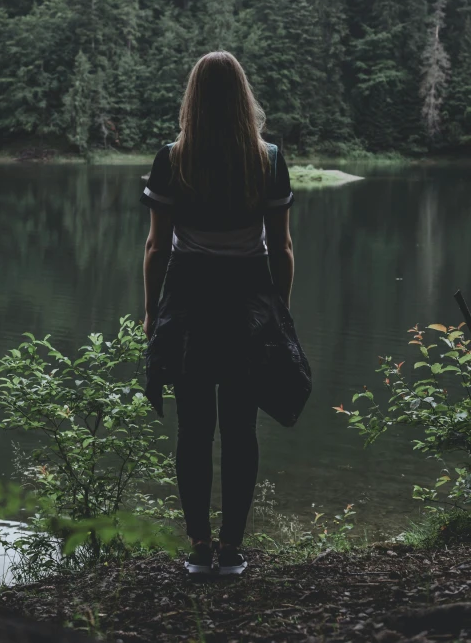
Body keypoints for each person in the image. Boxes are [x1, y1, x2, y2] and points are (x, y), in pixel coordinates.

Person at [140, 51, 295, 576]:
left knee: (193, 429)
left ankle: (200, 549)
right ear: (242, 98)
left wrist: (149, 312)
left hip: (189, 303)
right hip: (249, 304)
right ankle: (232, 550)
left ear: (193, 98)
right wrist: (281, 313)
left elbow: (157, 249)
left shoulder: (172, 158)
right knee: (240, 427)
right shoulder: (268, 159)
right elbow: (283, 248)